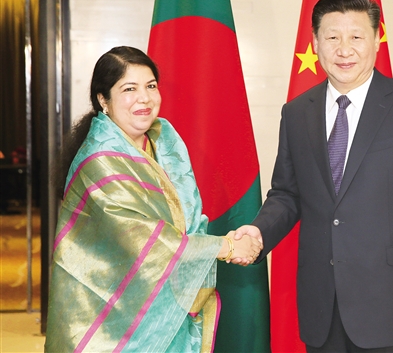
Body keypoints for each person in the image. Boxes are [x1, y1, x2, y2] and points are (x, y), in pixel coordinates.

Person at [234, 0, 393, 352]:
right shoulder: (296, 113)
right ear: (315, 43)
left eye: (356, 37)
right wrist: (259, 232)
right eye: (332, 37)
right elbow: (287, 193)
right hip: (322, 305)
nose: (344, 50)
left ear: (376, 40)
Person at [45, 46, 262, 353]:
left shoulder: (163, 137)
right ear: (103, 100)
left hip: (168, 300)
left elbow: (187, 217)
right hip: (113, 319)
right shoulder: (100, 162)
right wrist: (224, 247)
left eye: (150, 86)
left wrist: (218, 245)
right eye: (129, 89)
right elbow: (146, 240)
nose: (144, 98)